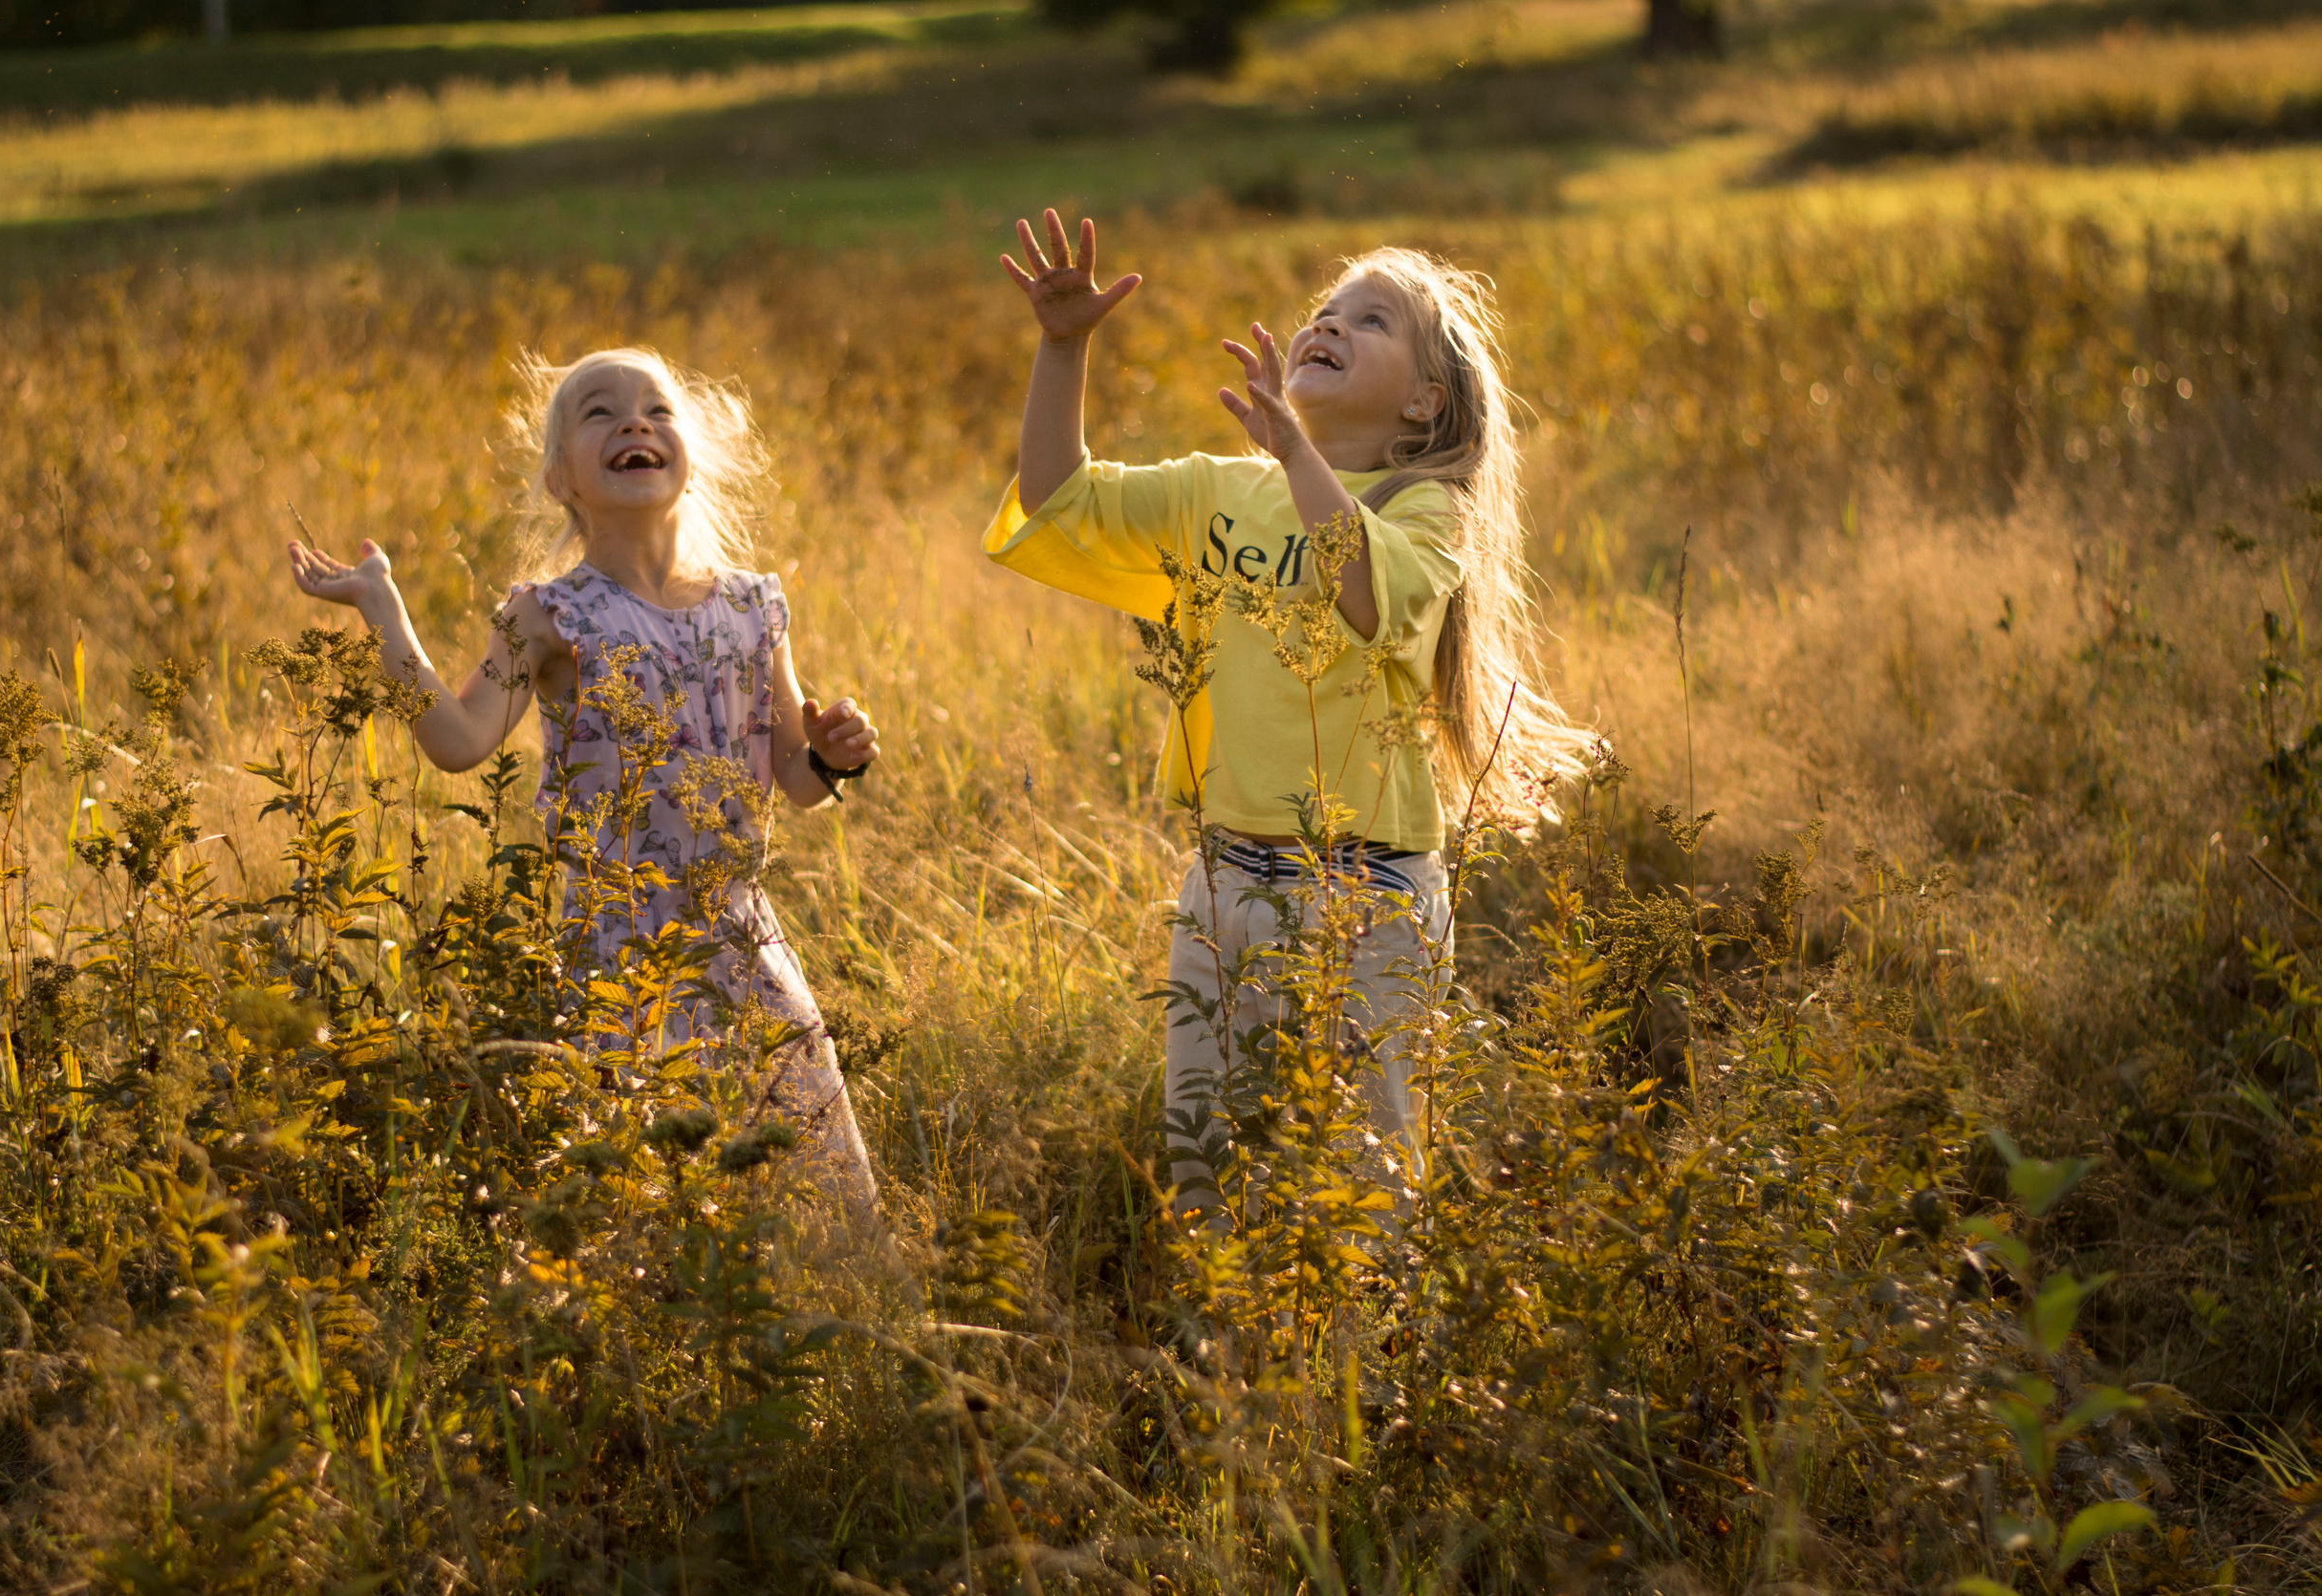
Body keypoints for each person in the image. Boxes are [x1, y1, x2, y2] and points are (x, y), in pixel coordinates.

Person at [986, 210, 1587, 1210]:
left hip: (1369, 898)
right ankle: (1231, 1361)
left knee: (1362, 1185)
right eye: (1324, 310)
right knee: (1210, 1165)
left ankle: (1363, 1363)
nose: (1331, 324)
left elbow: (1362, 596)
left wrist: (1292, 453)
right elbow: (1057, 501)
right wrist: (1062, 349)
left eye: (1373, 321)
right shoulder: (1217, 493)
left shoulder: (1424, 510)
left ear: (1423, 405)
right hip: (1222, 885)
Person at [285, 346, 880, 1209]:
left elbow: (795, 776)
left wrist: (835, 752)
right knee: (647, 1194)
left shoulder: (753, 607)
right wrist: (384, 609)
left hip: (743, 943)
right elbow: (457, 740)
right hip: (617, 951)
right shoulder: (550, 614)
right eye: (599, 412)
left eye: (657, 409)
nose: (633, 422)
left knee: (806, 1185)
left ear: (691, 456)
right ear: (562, 476)